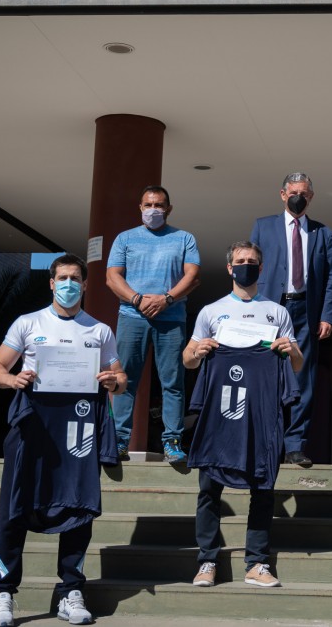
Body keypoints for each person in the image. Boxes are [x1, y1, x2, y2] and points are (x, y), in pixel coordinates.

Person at [0, 254, 128, 627]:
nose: (67, 283)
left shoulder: (99, 331)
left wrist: (113, 382)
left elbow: (120, 378)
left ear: (84, 285)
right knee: (14, 508)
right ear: (51, 283)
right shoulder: (28, 323)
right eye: (61, 277)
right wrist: (12, 379)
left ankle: (70, 592)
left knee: (78, 507)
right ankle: (3, 593)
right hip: (32, 427)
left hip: (78, 432)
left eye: (74, 278)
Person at [181, 241, 302, 588]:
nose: (245, 265)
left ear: (260, 269)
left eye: (252, 261)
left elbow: (298, 363)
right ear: (230, 268)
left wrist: (289, 349)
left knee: (263, 487)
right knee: (209, 488)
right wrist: (198, 352)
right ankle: (207, 561)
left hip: (261, 413)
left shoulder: (277, 312)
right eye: (240, 261)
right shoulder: (211, 311)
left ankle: (257, 562)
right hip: (220, 414)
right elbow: (188, 358)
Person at [106, 185, 201, 462]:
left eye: (159, 205)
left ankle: (172, 441)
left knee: (172, 382)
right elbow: (112, 278)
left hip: (171, 319)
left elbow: (192, 276)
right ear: (140, 207)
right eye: (148, 205)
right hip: (131, 318)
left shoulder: (184, 238)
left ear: (168, 209)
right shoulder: (124, 239)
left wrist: (167, 299)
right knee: (124, 379)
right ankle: (119, 440)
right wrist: (137, 300)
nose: (153, 210)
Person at [250, 172, 332, 467]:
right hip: (269, 311)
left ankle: (295, 445)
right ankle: (264, 442)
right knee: (265, 374)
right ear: (282, 194)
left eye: (304, 193)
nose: (298, 197)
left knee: (303, 379)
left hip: (305, 312)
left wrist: (327, 315)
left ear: (311, 197)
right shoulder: (263, 226)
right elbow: (250, 269)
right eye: (293, 192)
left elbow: (330, 278)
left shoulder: (322, 233)